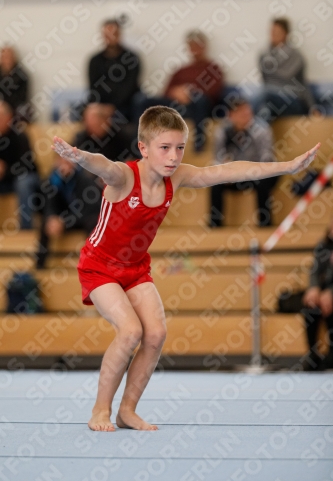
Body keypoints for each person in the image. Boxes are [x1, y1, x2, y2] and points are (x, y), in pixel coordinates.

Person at [51, 105, 319, 432]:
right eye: (164, 148)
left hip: (135, 268)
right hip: (99, 267)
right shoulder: (124, 177)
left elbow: (230, 171)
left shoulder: (177, 178)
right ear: (144, 148)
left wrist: (287, 166)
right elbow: (102, 164)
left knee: (156, 334)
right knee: (131, 331)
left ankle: (128, 411)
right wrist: (78, 155)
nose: (174, 156)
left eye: (179, 147)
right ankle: (99, 410)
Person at [134, 30, 224, 152]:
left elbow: (214, 92)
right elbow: (166, 92)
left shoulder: (213, 68)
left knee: (199, 99)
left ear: (204, 46)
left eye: (197, 45)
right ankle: (139, 142)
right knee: (141, 100)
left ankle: (198, 145)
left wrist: (189, 92)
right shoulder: (181, 70)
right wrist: (176, 92)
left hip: (198, 106)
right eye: (191, 46)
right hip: (175, 105)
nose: (194, 49)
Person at [209, 98, 278, 227]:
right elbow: (216, 159)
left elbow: (267, 157)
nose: (245, 117)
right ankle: (215, 224)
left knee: (264, 181)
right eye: (240, 114)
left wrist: (254, 171)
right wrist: (223, 172)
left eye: (247, 112)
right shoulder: (222, 132)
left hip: (258, 172)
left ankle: (265, 223)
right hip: (235, 175)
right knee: (215, 182)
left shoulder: (261, 130)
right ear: (231, 116)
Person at [35, 155, 102, 269]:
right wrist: (53, 218)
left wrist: (64, 221)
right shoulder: (53, 181)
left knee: (92, 222)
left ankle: (93, 263)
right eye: (61, 160)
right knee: (46, 223)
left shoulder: (85, 180)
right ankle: (40, 266)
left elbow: (88, 210)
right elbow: (49, 206)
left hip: (81, 220)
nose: (64, 164)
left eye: (67, 161)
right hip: (64, 221)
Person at [252, 18, 315, 122]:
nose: (273, 34)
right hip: (270, 100)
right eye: (272, 31)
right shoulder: (264, 55)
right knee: (265, 111)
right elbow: (264, 80)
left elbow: (303, 83)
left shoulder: (296, 56)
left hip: (292, 100)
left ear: (285, 34)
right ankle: (257, 137)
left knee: (264, 93)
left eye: (277, 32)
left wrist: (312, 107)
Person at [87, 19, 141, 122]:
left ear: (119, 35)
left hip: (127, 104)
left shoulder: (131, 58)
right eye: (107, 34)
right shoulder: (95, 61)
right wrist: (103, 107)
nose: (111, 38)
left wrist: (113, 107)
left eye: (114, 34)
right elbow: (93, 88)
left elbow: (130, 86)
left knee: (140, 101)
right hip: (102, 104)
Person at [0, 100, 40, 229]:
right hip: (5, 181)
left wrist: (4, 170)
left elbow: (26, 166)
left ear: (9, 117)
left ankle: (26, 230)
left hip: (26, 178)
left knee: (23, 183)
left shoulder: (20, 136)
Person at [301, 220, 333, 371]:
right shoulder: (323, 246)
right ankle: (313, 354)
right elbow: (314, 270)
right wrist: (314, 288)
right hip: (323, 292)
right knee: (311, 307)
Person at [0, 46, 32, 124]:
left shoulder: (22, 76)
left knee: (23, 111)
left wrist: (7, 106)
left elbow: (22, 97)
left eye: (8, 57)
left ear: (14, 58)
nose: (6, 60)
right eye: (4, 57)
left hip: (14, 107)